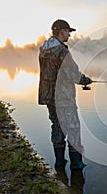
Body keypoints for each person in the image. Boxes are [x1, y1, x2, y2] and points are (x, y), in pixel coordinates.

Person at [38, 19, 92, 170]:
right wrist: (86, 80)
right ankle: (76, 164)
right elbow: (74, 74)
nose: (70, 35)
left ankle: (59, 163)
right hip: (64, 98)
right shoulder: (62, 51)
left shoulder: (44, 50)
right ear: (62, 31)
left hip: (50, 97)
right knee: (73, 128)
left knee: (57, 127)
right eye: (68, 31)